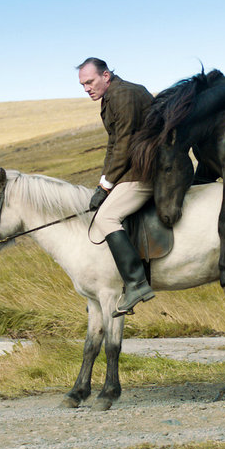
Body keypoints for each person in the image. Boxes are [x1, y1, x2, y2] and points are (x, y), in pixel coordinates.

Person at [77, 57, 155, 317]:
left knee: (106, 217)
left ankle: (136, 283)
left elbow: (124, 144)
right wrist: (104, 183)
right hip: (134, 170)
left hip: (147, 172)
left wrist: (107, 185)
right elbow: (113, 147)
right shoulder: (111, 98)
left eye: (90, 82)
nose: (87, 88)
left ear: (106, 76)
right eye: (83, 85)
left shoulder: (123, 95)